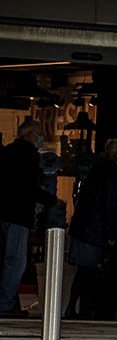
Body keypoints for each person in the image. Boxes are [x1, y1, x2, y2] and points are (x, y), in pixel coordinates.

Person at [0, 120, 61, 317]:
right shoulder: (30, 156)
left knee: (6, 259)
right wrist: (52, 201)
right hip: (18, 214)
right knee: (16, 261)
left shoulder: (8, 151)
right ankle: (5, 304)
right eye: (39, 133)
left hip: (4, 213)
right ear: (31, 134)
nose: (41, 137)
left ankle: (6, 301)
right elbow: (30, 187)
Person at [65, 138, 117, 320]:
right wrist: (110, 234)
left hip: (85, 228)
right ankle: (82, 309)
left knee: (84, 271)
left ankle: (76, 308)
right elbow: (109, 204)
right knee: (89, 271)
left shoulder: (97, 170)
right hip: (94, 231)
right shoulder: (112, 174)